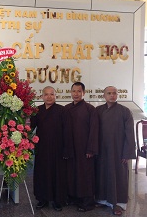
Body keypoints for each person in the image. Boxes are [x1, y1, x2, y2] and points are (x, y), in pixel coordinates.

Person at [95, 86, 136, 216]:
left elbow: (130, 134)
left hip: (118, 151)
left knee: (118, 176)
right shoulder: (98, 110)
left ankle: (117, 203)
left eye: (114, 93)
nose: (112, 95)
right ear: (104, 95)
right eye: (109, 93)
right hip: (102, 150)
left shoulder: (125, 111)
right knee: (102, 174)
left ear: (117, 95)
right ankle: (102, 200)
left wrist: (127, 153)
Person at [30, 86, 67, 211]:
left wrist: (66, 149)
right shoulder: (37, 110)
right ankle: (42, 199)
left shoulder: (62, 110)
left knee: (57, 174)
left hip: (58, 148)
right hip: (42, 148)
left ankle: (57, 200)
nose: (49, 96)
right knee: (42, 173)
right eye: (46, 94)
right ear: (42, 96)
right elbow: (31, 127)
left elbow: (67, 131)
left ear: (55, 96)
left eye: (51, 94)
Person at [65, 82, 99, 212]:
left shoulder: (90, 109)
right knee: (72, 173)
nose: (76, 94)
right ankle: (74, 198)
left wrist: (91, 149)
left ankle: (87, 203)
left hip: (85, 149)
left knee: (85, 174)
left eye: (79, 91)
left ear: (84, 93)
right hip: (71, 148)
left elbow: (94, 130)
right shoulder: (66, 108)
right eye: (74, 91)